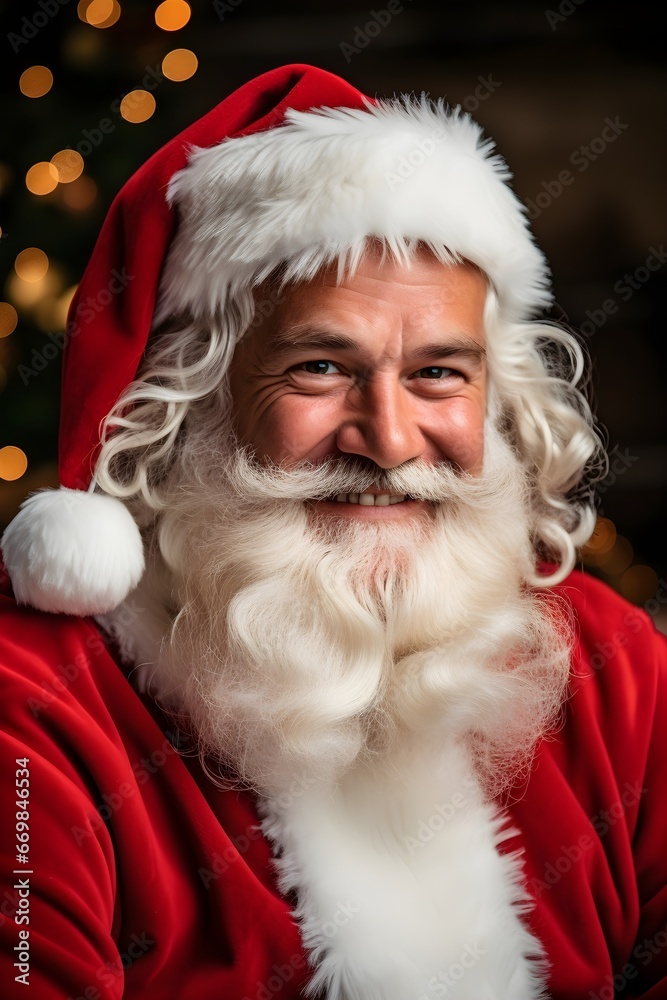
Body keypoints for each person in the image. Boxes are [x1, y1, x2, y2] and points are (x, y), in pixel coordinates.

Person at [1, 63, 665, 1000]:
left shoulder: (608, 662)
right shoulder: (33, 707)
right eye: (319, 367)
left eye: (438, 374)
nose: (389, 442)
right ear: (191, 398)